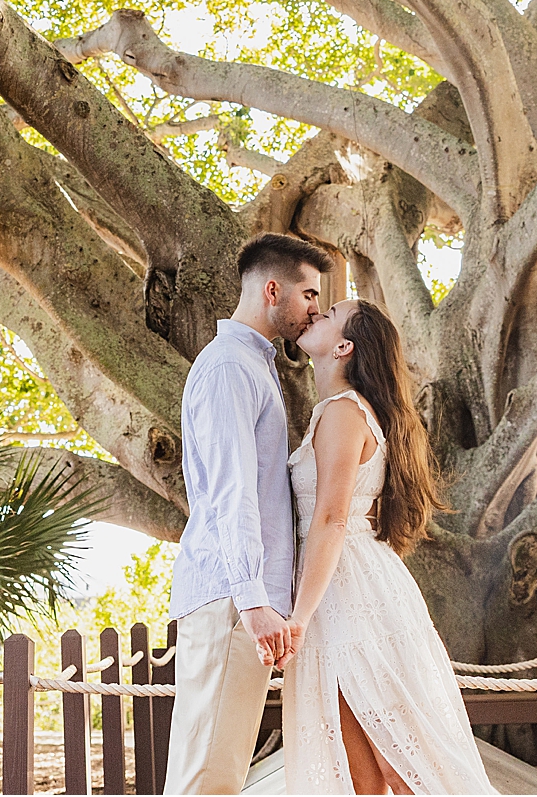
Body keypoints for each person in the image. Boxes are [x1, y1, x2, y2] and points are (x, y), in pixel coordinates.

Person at [279, 300, 495, 795]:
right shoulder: (334, 411)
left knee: (400, 760)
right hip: (338, 588)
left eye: (328, 312)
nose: (314, 313)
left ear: (344, 346)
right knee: (364, 775)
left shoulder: (343, 413)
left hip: (349, 593)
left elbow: (332, 518)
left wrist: (298, 617)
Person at [164, 233, 331, 795]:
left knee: (219, 772)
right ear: (273, 289)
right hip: (232, 601)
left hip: (242, 599)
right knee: (205, 776)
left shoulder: (254, 365)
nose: (316, 309)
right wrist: (255, 602)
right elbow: (232, 492)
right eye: (309, 294)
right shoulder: (231, 367)